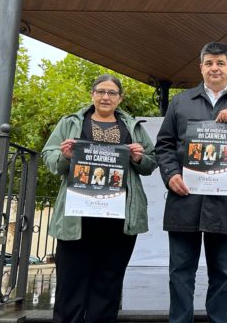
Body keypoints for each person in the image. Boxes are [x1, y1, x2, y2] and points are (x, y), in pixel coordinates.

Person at [155, 42, 227, 323]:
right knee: (180, 273)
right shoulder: (180, 102)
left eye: (220, 63)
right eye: (209, 63)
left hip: (224, 203)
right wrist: (171, 175)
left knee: (222, 274)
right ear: (201, 68)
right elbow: (164, 146)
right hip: (184, 201)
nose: (214, 68)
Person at [42, 74, 158, 322]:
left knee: (108, 286)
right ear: (92, 94)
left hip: (117, 219)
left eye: (112, 93)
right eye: (101, 91)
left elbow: (151, 161)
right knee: (70, 285)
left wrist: (139, 158)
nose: (106, 97)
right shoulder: (70, 122)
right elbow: (49, 157)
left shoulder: (132, 126)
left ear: (120, 98)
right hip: (77, 218)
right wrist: (65, 156)